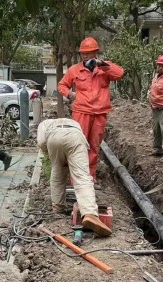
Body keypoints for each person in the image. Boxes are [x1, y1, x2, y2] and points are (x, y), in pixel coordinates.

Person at [58, 37, 124, 188]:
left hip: (100, 114)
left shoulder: (104, 69)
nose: (85, 56)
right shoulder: (75, 70)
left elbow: (119, 74)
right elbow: (62, 85)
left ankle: (90, 177)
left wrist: (104, 65)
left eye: (88, 53)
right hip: (81, 112)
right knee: (78, 145)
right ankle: (75, 178)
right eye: (83, 54)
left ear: (95, 53)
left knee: (94, 146)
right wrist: (70, 94)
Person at [36, 118, 112, 237]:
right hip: (74, 138)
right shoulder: (74, 123)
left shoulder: (44, 124)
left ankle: (58, 208)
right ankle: (89, 213)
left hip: (53, 138)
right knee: (82, 177)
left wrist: (50, 153)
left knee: (57, 175)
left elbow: (41, 142)